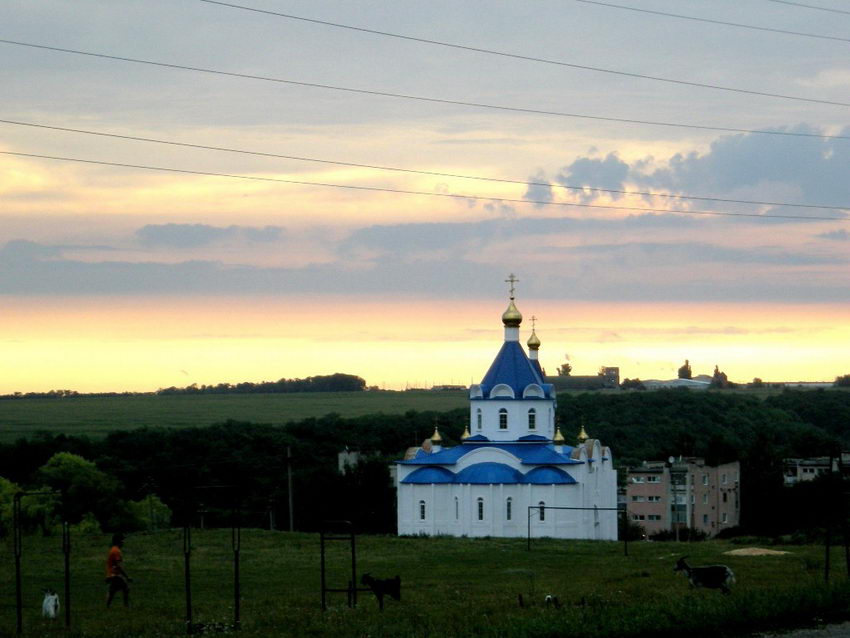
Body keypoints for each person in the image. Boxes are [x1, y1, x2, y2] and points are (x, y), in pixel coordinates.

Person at [105, 533, 131, 608]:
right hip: (115, 574)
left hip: (111, 574)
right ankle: (126, 606)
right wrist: (127, 576)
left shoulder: (112, 550)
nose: (123, 542)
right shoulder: (117, 551)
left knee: (112, 591)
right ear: (118, 541)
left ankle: (107, 606)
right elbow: (119, 565)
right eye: (122, 540)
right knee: (125, 588)